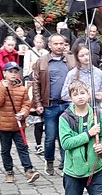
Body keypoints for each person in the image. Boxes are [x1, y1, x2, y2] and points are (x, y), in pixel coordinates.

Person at [31, 35, 77, 175]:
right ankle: (49, 160)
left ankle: (65, 164)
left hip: (68, 104)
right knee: (50, 137)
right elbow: (36, 84)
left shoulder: (71, 60)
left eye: (61, 43)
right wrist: (38, 103)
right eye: (56, 44)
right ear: (49, 45)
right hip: (50, 105)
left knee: (66, 136)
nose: (59, 46)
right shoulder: (42, 61)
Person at [0, 62, 40, 184]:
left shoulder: (22, 89)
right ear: (4, 73)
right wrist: (4, 87)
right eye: (10, 72)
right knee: (5, 149)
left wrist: (23, 114)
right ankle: (9, 171)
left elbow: (26, 104)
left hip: (18, 125)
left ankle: (29, 170)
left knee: (22, 147)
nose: (13, 74)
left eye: (15, 72)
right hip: (4, 125)